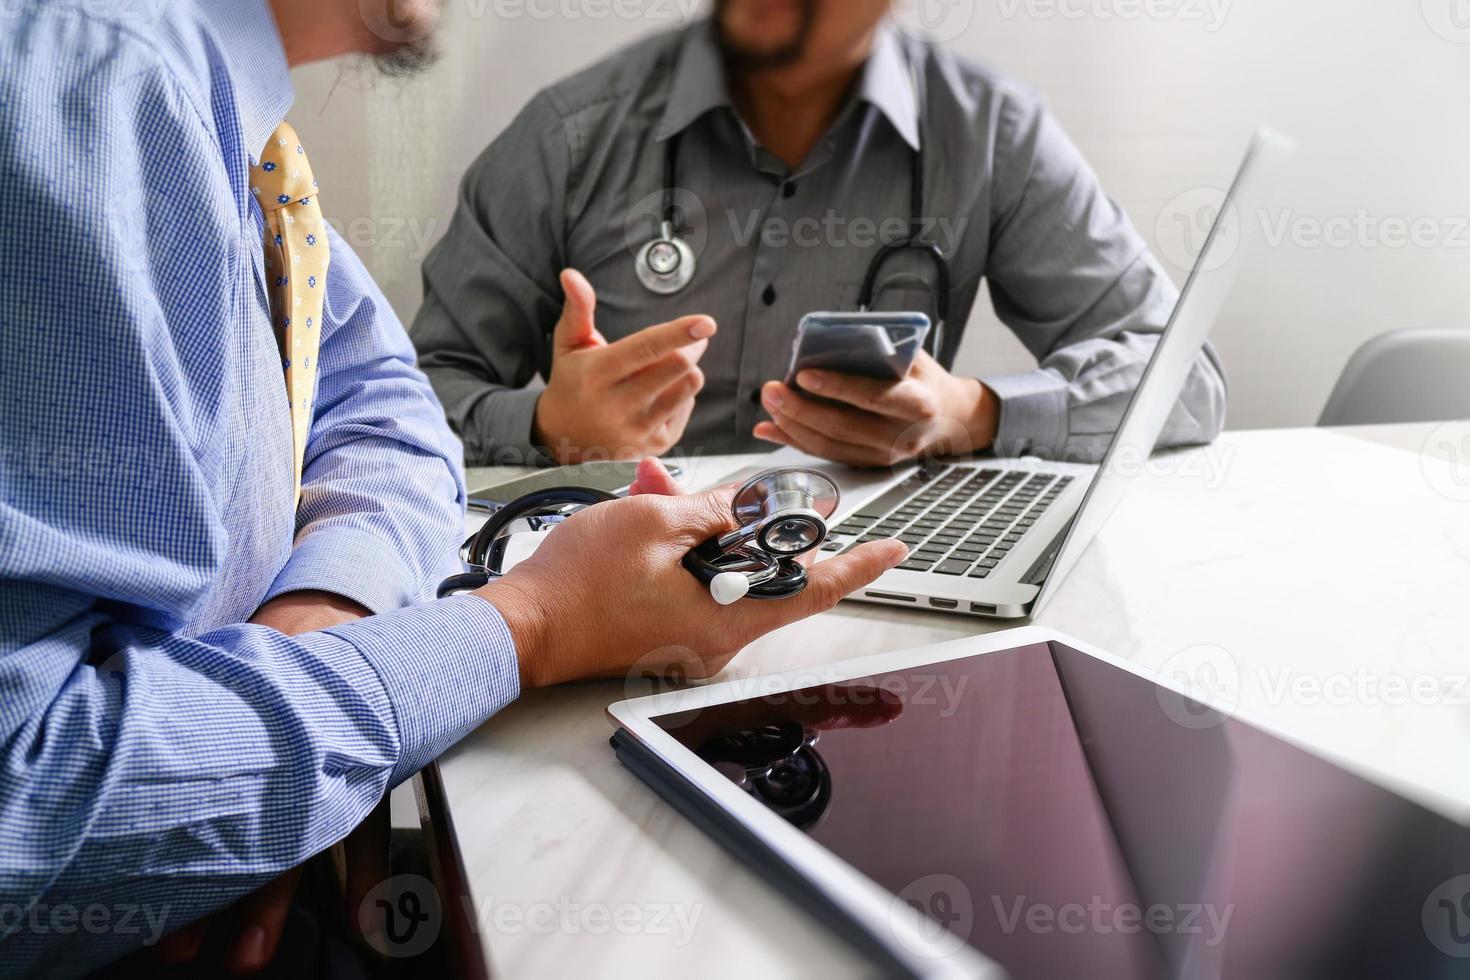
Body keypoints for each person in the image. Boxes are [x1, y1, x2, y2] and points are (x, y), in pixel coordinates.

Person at [0, 0, 906, 974]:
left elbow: (382, 400)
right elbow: (31, 806)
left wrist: (297, 664)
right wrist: (535, 621)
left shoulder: (233, 126)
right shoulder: (82, 83)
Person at [412, 0, 1227, 470]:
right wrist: (550, 427)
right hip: (611, 590)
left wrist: (974, 413)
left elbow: (1185, 381)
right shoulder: (571, 134)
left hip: (875, 597)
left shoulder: (989, 135)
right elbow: (401, 406)